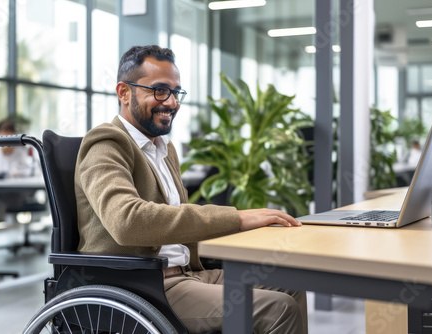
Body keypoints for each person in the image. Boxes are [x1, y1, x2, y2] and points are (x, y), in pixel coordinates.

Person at [75, 45, 308, 333]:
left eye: (176, 92)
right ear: (124, 92)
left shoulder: (164, 149)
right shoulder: (106, 144)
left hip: (188, 274)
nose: (171, 102)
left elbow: (178, 217)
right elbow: (127, 222)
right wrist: (237, 218)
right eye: (159, 90)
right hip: (144, 287)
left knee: (292, 287)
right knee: (277, 309)